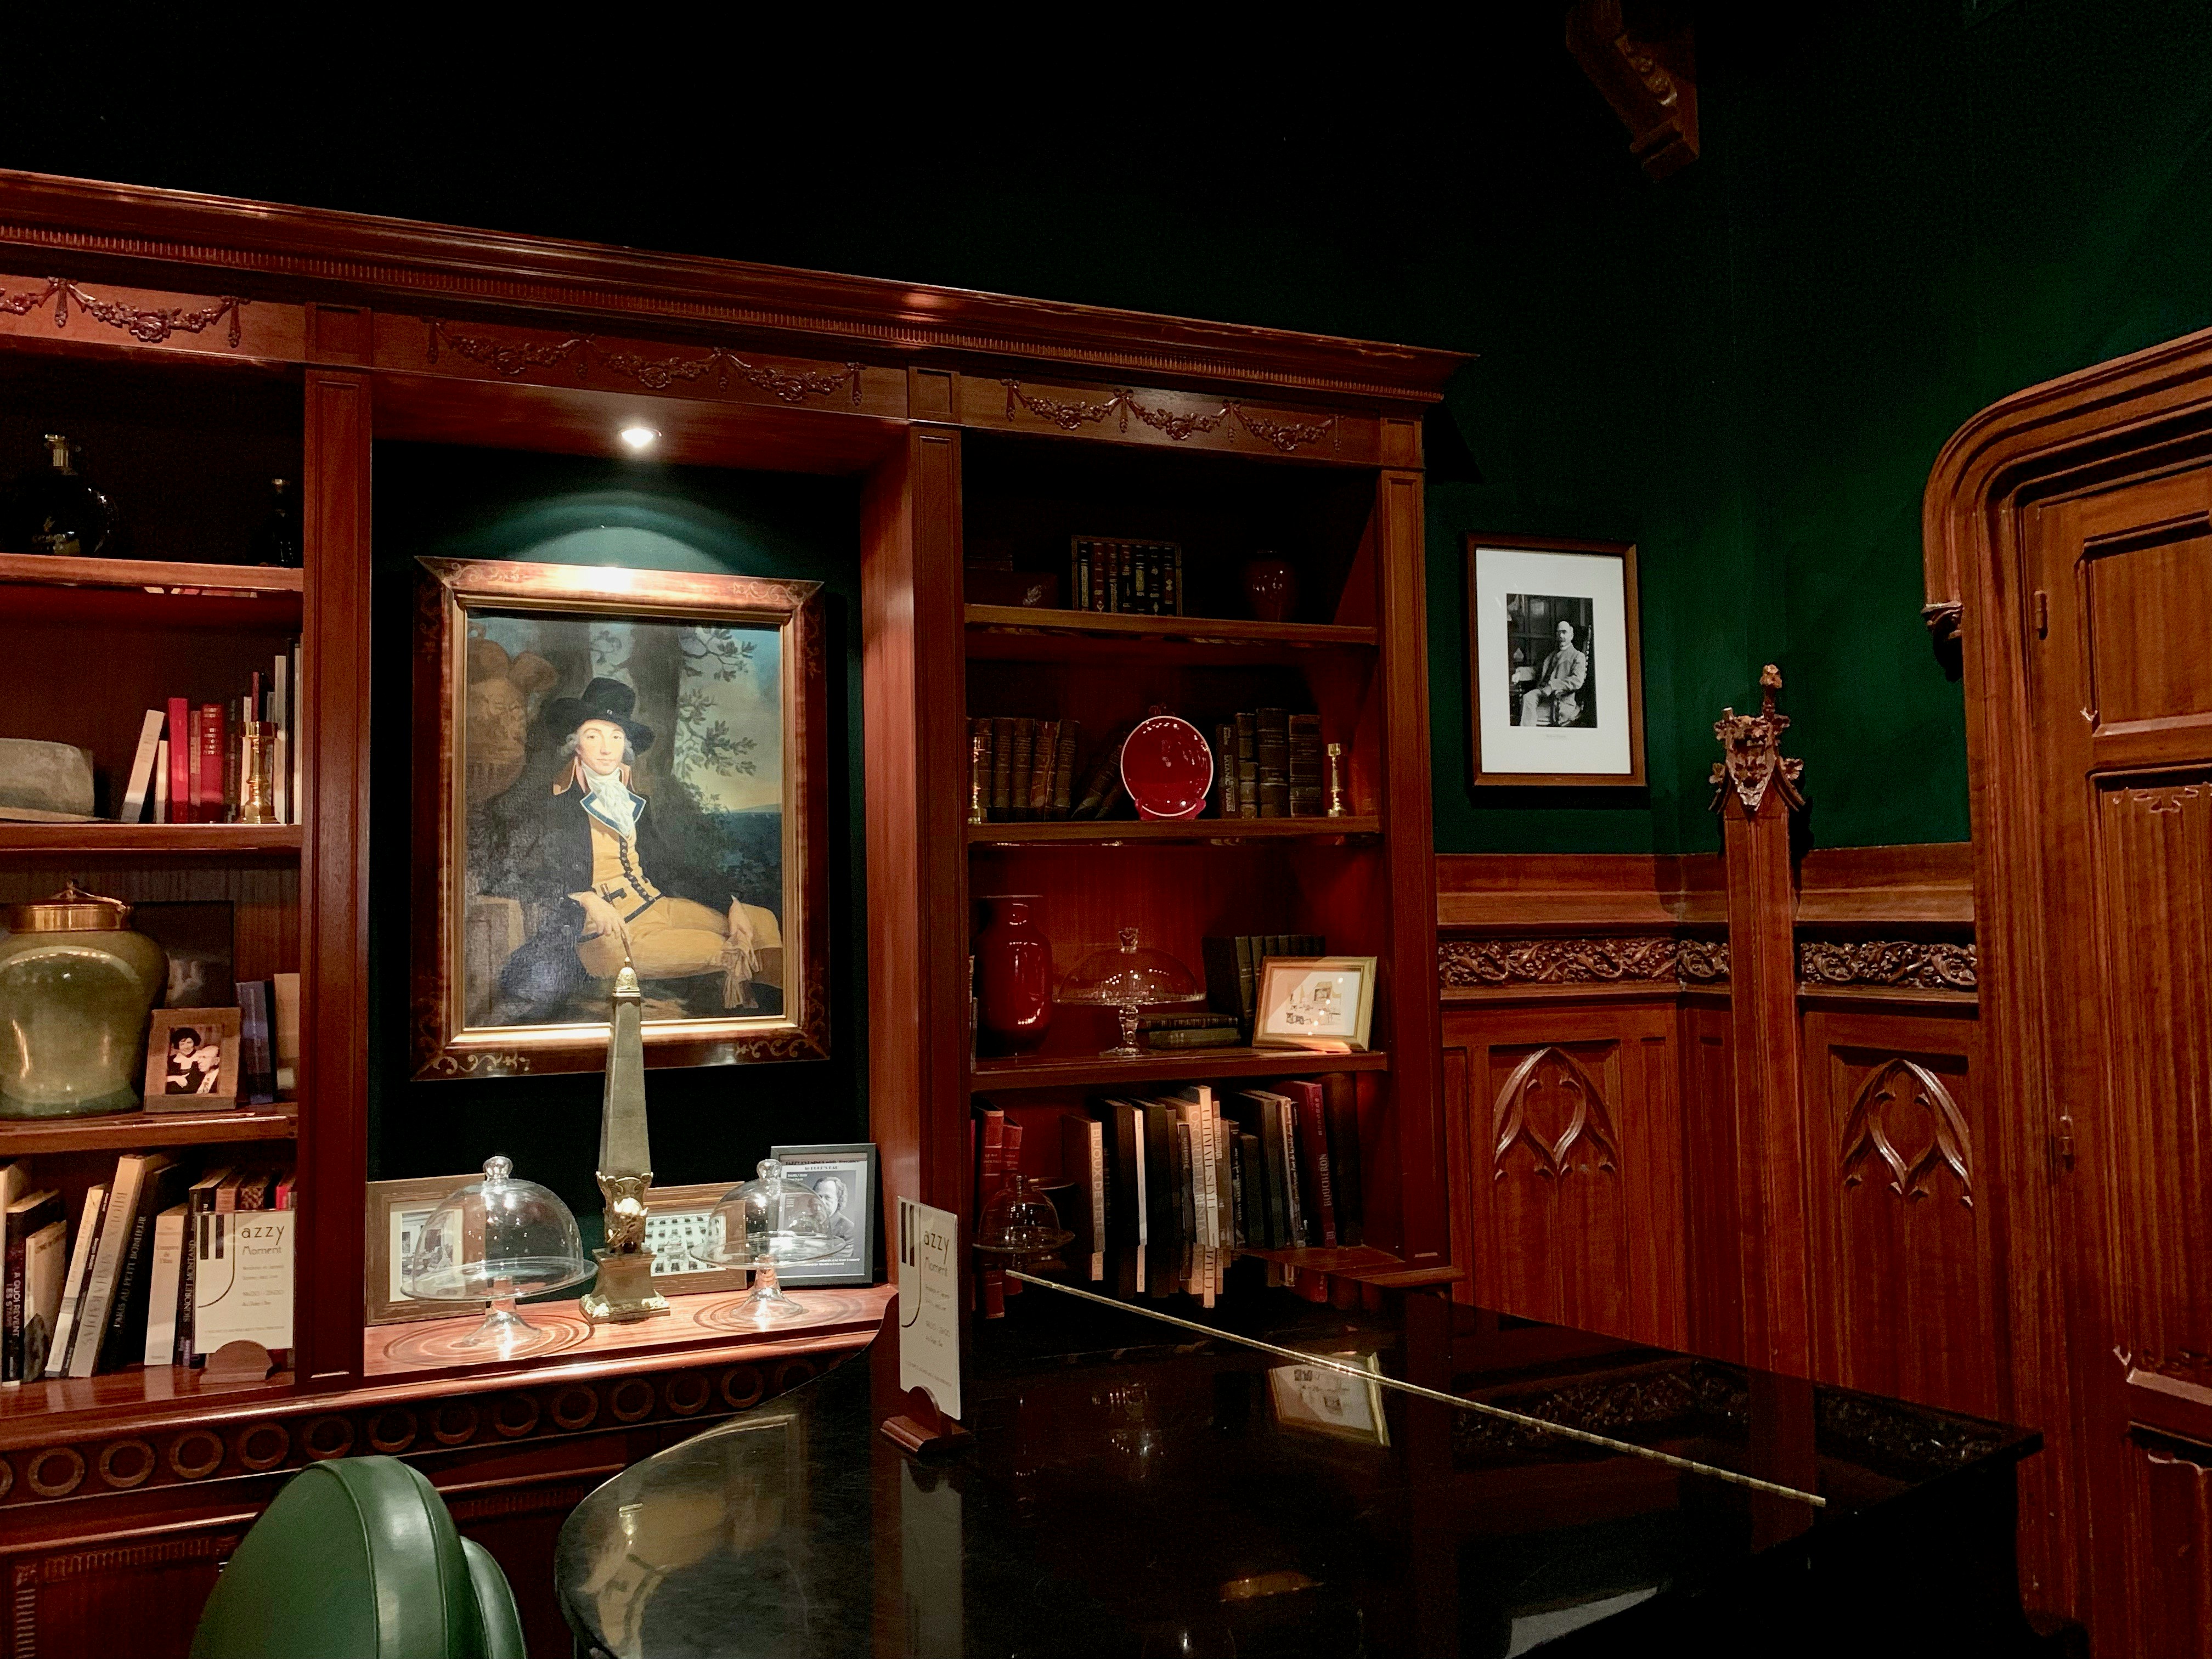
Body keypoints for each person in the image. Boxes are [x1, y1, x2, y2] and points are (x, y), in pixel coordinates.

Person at [478, 677, 782, 1023]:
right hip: (607, 933)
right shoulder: (553, 807)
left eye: (616, 737)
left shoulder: (635, 802)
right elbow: (509, 876)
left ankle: (772, 1025)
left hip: (656, 907)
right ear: (575, 745)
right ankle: (754, 1025)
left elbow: (668, 869)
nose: (607, 748)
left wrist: (730, 903)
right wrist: (584, 898)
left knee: (761, 920)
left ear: (626, 747)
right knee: (728, 952)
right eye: (594, 736)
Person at [1516, 618, 1589, 727]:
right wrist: (1520, 674)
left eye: (1564, 632)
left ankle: (1528, 736)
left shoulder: (1578, 656)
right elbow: (1537, 671)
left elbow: (1577, 681)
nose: (1561, 636)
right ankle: (1528, 733)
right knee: (1528, 697)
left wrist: (1553, 686)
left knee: (1527, 716)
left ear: (1571, 636)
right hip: (1542, 693)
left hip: (1559, 699)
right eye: (1559, 633)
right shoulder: (1553, 654)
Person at [164, 1028, 220, 1095]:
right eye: (182, 1044)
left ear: (194, 1043)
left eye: (189, 1043)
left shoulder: (201, 1057)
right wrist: (175, 1078)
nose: (186, 1047)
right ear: (177, 1045)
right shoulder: (171, 1060)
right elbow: (157, 1079)